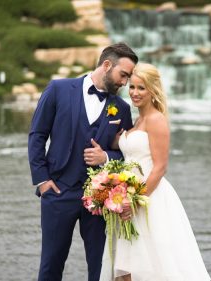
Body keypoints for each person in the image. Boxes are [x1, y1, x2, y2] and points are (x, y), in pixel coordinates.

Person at [28, 42, 138, 281]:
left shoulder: (121, 108)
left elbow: (129, 154)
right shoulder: (58, 89)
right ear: (107, 65)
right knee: (51, 265)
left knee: (100, 268)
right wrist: (43, 180)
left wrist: (107, 157)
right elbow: (37, 135)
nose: (125, 83)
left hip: (101, 199)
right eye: (123, 75)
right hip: (58, 192)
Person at [99, 63, 211, 281]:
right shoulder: (136, 121)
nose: (135, 93)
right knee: (126, 267)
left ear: (153, 90)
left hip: (148, 199)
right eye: (132, 87)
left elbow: (160, 167)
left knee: (150, 267)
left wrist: (134, 201)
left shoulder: (157, 119)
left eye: (142, 88)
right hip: (127, 197)